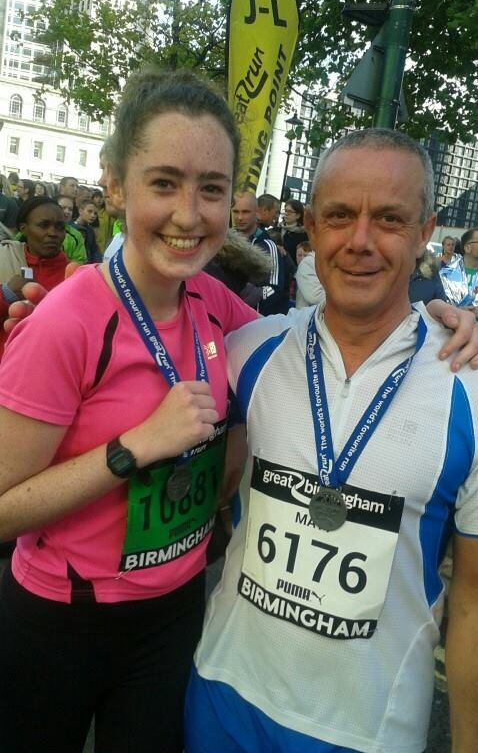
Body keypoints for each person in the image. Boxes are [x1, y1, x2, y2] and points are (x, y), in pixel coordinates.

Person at [186, 128, 478, 753]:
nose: (361, 241)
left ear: (426, 231)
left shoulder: (470, 390)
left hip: (366, 731)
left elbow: (473, 603)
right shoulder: (249, 350)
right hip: (221, 698)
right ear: (311, 228)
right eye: (341, 215)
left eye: (390, 218)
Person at [0, 67, 256, 753]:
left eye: (212, 189)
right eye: (164, 182)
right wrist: (132, 448)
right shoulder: (67, 321)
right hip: (61, 618)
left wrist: (436, 327)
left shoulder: (212, 301)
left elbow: (310, 349)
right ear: (116, 185)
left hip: (175, 609)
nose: (189, 213)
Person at [0, 196, 69, 357]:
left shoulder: (74, 275)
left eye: (60, 227)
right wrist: (6, 294)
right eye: (44, 225)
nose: (53, 233)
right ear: (23, 228)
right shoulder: (4, 256)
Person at [282, 198, 307, 264]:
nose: (286, 214)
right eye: (285, 211)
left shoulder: (303, 235)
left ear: (298, 215)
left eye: (290, 212)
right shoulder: (276, 230)